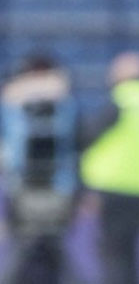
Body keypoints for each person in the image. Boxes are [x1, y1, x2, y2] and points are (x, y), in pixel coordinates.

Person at [79, 51, 139, 284]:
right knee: (131, 254)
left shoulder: (121, 101)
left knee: (112, 255)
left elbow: (87, 136)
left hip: (112, 189)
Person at [0, 54, 80, 284]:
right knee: (48, 252)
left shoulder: (13, 102)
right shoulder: (66, 101)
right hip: (50, 187)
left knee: (29, 251)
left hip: (31, 186)